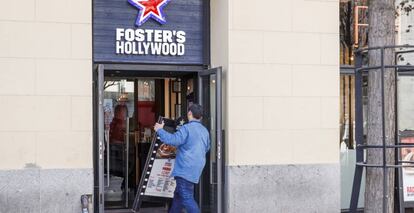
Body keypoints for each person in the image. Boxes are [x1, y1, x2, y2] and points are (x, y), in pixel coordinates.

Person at [154, 104, 210, 213]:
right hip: (195, 169)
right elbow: (207, 148)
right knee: (179, 196)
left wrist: (160, 130)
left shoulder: (187, 128)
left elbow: (174, 140)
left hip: (185, 168)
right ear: (201, 117)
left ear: (189, 114)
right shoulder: (205, 131)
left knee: (187, 197)